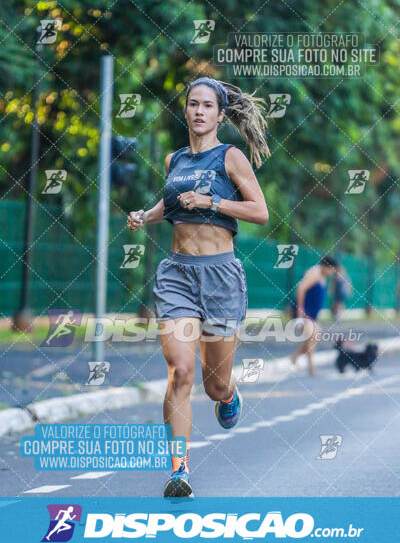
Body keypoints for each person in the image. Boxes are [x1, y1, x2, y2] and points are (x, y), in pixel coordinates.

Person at [127, 77, 270, 497]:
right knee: (180, 372)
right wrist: (145, 216)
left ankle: (229, 396)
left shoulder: (232, 158)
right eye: (193, 104)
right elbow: (169, 205)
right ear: (186, 110)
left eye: (208, 105)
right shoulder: (174, 160)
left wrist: (212, 203)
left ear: (221, 115)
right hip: (177, 276)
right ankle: (179, 472)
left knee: (214, 384)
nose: (199, 111)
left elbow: (260, 211)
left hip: (221, 277)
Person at [290, 256, 338, 376]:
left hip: (312, 312)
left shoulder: (322, 275)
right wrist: (300, 309)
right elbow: (301, 288)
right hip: (305, 311)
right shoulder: (315, 273)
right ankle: (311, 367)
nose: (333, 272)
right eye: (332, 269)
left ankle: (295, 358)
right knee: (312, 336)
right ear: (327, 267)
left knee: (315, 336)